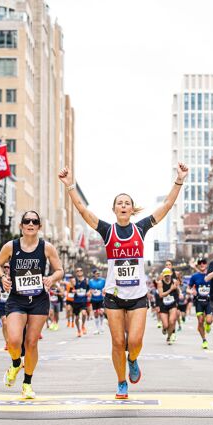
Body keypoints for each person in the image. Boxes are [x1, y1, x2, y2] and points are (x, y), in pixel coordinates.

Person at [59, 162, 188, 399]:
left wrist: (179, 180)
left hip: (137, 296)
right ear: (114, 209)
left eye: (127, 203)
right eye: (120, 203)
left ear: (132, 209)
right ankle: (121, 382)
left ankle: (133, 359)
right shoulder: (108, 231)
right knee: (118, 342)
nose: (124, 205)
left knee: (135, 341)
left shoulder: (141, 228)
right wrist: (69, 186)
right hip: (114, 297)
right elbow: (83, 212)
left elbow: (167, 205)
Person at [0, 210, 64, 399]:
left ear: (39, 226)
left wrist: (51, 278)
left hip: (39, 299)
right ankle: (16, 363)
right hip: (17, 298)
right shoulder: (11, 246)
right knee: (14, 340)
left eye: (34, 221)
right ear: (21, 225)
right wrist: (3, 278)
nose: (31, 224)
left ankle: (27, 383)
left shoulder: (46, 247)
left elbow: (59, 270)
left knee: (32, 342)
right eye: (27, 221)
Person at [188, 258, 212, 349]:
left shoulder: (210, 275)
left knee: (209, 321)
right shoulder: (195, 276)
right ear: (198, 265)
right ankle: (204, 340)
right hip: (199, 302)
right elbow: (188, 288)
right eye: (200, 263)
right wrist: (191, 292)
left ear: (206, 265)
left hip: (209, 301)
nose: (202, 264)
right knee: (200, 321)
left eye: (204, 263)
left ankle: (208, 324)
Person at [157, 268, 179, 344]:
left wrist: (179, 297)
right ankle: (164, 328)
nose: (167, 277)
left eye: (168, 275)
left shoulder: (175, 281)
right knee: (166, 325)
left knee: (172, 321)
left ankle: (169, 337)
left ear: (171, 275)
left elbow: (178, 290)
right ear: (163, 276)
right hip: (163, 305)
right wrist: (170, 289)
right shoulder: (160, 283)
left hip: (172, 304)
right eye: (166, 276)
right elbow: (161, 295)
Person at [71, 267, 91, 337]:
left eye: (80, 270)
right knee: (76, 318)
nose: (79, 272)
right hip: (76, 301)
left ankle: (83, 326)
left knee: (84, 313)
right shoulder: (74, 280)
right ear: (76, 273)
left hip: (83, 300)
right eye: (77, 271)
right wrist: (73, 290)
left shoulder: (86, 280)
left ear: (82, 272)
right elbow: (71, 289)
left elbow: (89, 289)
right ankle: (79, 330)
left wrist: (88, 292)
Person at [89, 269, 106, 334]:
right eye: (97, 273)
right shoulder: (91, 281)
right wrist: (91, 292)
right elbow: (90, 289)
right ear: (93, 274)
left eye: (99, 273)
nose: (98, 275)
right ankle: (97, 328)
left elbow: (106, 287)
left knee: (101, 312)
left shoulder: (103, 280)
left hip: (101, 299)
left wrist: (104, 292)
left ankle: (101, 326)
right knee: (96, 314)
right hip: (94, 299)